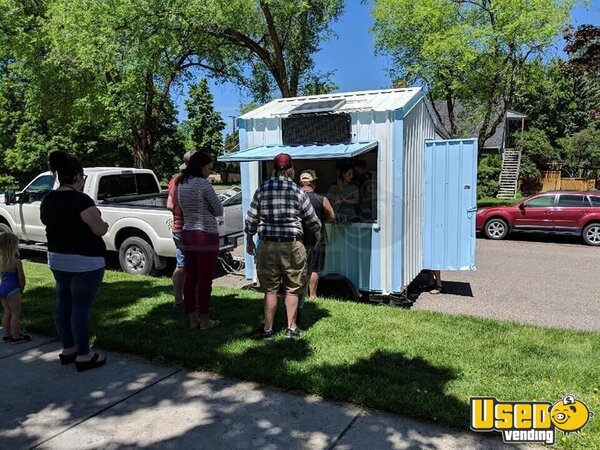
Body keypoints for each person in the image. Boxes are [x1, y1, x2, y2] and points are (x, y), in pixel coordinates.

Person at [40, 151, 109, 372]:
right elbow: (99, 229)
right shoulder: (81, 200)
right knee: (80, 309)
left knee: (63, 304)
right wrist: (101, 219)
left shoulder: (48, 199)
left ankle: (68, 349)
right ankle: (84, 354)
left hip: (57, 259)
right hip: (85, 263)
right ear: (78, 176)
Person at [245, 153, 321, 340]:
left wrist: (248, 240)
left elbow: (251, 220)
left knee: (270, 289)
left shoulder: (262, 189)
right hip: (292, 246)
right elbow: (313, 221)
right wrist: (317, 238)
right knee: (292, 288)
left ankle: (268, 330)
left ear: (273, 169)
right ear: (291, 169)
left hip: (268, 244)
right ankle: (291, 328)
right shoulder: (298, 191)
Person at [177, 151, 223, 330]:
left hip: (188, 232)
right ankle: (205, 320)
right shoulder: (203, 184)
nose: (209, 173)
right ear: (201, 166)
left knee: (191, 277)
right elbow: (218, 209)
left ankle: (192, 318)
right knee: (205, 280)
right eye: (208, 168)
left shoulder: (182, 183)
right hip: (206, 235)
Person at [299, 169, 335, 299]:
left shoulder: (295, 199)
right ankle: (313, 296)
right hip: (317, 238)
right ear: (313, 183)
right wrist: (323, 220)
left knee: (299, 268)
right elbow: (332, 215)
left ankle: (298, 294)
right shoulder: (321, 199)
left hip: (298, 238)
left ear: (300, 184)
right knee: (314, 269)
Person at [167, 151, 195, 310]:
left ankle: (178, 300)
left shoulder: (174, 181)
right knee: (195, 267)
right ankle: (194, 303)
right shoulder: (195, 182)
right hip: (192, 229)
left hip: (177, 228)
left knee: (181, 264)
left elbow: (169, 205)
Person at [0, 232, 29, 343]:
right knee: (16, 313)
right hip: (13, 290)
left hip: (3, 289)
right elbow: (21, 278)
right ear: (13, 246)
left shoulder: (1, 261)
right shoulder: (16, 262)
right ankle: (16, 336)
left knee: (7, 312)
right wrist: (21, 289)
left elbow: (2, 277)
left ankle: (7, 335)